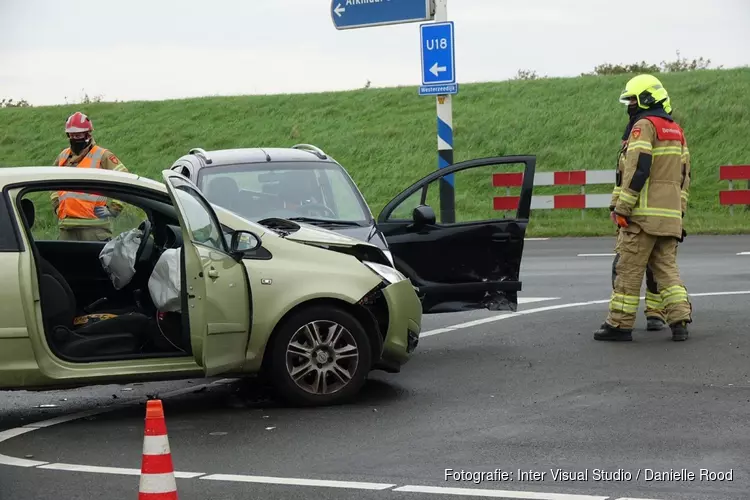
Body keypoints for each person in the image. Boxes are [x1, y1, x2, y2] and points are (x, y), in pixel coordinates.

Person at [594, 74, 691, 342]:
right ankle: (680, 321)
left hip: (643, 218)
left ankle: (619, 325)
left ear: (647, 100)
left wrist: (622, 207)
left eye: (633, 101)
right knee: (667, 271)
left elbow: (637, 169)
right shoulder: (676, 131)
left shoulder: (644, 127)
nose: (630, 107)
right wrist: (679, 216)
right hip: (669, 218)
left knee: (628, 270)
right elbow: (685, 177)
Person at [51, 112, 129, 241]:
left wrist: (114, 208)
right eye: (72, 135)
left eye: (79, 134)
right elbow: (51, 182)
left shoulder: (102, 155)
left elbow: (125, 178)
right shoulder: (63, 156)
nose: (75, 138)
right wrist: (56, 205)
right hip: (67, 228)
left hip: (94, 228)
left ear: (88, 134)